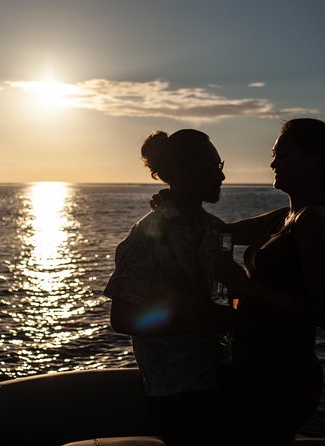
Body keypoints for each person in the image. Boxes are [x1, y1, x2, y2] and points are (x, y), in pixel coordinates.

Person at [214, 118, 325, 445]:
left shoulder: (313, 220)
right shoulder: (287, 216)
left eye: (282, 155)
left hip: (280, 377)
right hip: (257, 371)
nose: (272, 163)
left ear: (313, 160)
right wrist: (174, 204)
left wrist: (246, 288)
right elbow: (222, 231)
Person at [103, 129, 236, 445]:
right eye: (211, 167)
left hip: (220, 380)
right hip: (176, 393)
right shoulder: (146, 235)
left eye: (220, 166)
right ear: (181, 172)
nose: (222, 175)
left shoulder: (213, 229)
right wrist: (197, 323)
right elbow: (121, 318)